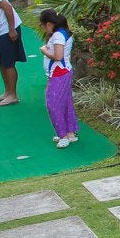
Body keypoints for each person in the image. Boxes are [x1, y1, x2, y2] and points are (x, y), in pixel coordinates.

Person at [38, 8, 79, 148]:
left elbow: (58, 56)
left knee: (53, 104)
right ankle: (70, 133)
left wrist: (44, 50)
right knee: (66, 103)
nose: (43, 28)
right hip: (63, 73)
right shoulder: (63, 33)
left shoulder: (57, 36)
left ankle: (63, 136)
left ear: (49, 24)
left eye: (42, 25)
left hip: (59, 74)